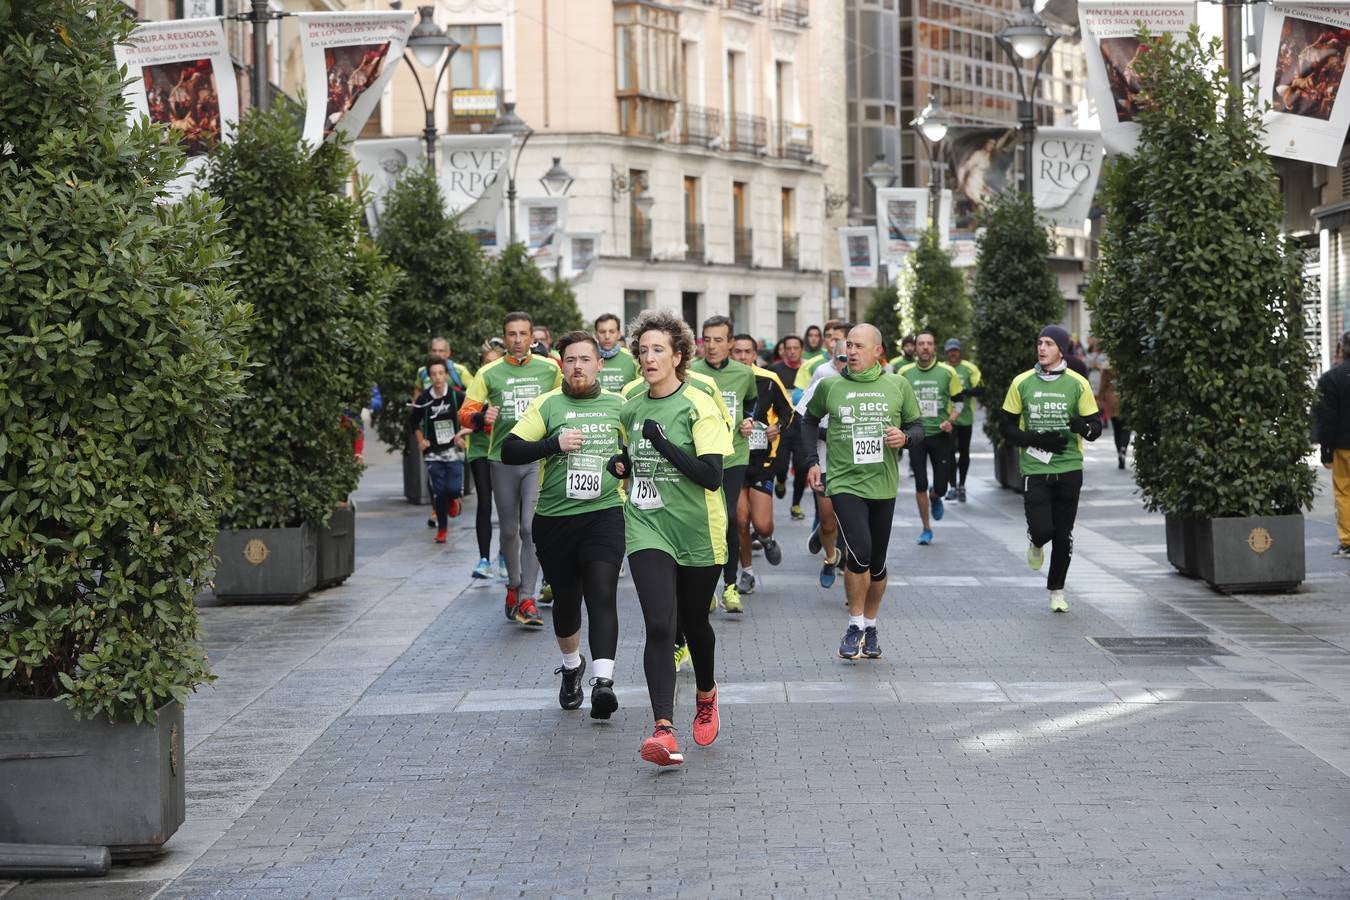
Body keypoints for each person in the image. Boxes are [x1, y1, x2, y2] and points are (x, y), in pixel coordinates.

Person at [609, 310, 731, 766]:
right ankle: (663, 728)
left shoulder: (699, 403)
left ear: (678, 356)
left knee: (695, 622)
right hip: (647, 522)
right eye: (642, 350)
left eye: (658, 349)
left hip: (698, 529)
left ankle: (705, 693)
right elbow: (632, 453)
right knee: (660, 623)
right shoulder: (630, 403)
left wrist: (662, 444)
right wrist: (621, 464)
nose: (648, 357)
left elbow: (712, 475)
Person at [502, 331, 626, 717]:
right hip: (555, 519)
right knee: (568, 600)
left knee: (602, 592)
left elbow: (636, 449)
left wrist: (624, 463)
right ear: (562, 365)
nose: (578, 367)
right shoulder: (548, 404)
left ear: (598, 364)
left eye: (585, 360)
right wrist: (552, 444)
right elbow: (510, 449)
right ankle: (572, 667)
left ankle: (603, 683)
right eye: (570, 360)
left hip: (604, 512)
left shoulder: (620, 405)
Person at [800, 325, 923, 659]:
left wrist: (906, 438)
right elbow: (807, 421)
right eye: (848, 346)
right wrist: (812, 461)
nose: (851, 352)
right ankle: (854, 624)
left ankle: (870, 626)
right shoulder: (830, 385)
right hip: (843, 482)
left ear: (878, 352)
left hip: (883, 484)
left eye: (858, 347)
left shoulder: (898, 385)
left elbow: (917, 427)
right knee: (860, 553)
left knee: (878, 564)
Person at [460, 312, 563, 627]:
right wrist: (480, 419)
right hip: (502, 458)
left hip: (537, 459)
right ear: (504, 337)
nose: (517, 339)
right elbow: (465, 412)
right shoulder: (488, 372)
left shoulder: (549, 369)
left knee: (530, 528)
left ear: (533, 336)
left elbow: (565, 399)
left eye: (522, 334)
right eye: (511, 334)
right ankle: (513, 585)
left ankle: (528, 597)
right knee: (508, 531)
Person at [1001, 325, 1102, 613]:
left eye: (1048, 344)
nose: (1041, 348)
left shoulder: (1077, 383)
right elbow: (1005, 427)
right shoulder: (1022, 382)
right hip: (1035, 466)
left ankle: (1056, 590)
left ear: (1061, 349)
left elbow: (1095, 429)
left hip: (1069, 466)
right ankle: (1035, 541)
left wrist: (1080, 425)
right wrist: (1035, 438)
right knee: (1043, 528)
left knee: (1063, 533)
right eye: (1039, 343)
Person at [691, 315, 758, 614]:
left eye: (719, 340)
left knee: (728, 517)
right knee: (703, 521)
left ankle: (730, 586)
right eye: (708, 339)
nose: (713, 346)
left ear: (731, 342)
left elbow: (752, 401)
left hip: (733, 456)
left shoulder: (744, 373)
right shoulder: (690, 371)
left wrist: (749, 419)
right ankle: (705, 588)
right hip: (700, 457)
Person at [730, 333, 794, 595]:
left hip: (762, 460)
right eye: (737, 352)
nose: (742, 356)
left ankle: (766, 538)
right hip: (734, 459)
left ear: (755, 354)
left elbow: (789, 412)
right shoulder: (723, 381)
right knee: (740, 520)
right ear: (730, 353)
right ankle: (747, 572)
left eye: (747, 352)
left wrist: (776, 428)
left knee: (762, 523)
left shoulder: (768, 380)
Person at [897, 331, 964, 545]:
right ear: (915, 348)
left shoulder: (947, 372)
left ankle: (936, 496)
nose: (925, 347)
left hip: (940, 435)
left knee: (941, 486)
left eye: (929, 344)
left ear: (935, 348)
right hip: (916, 436)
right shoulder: (905, 372)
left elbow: (959, 402)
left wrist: (950, 420)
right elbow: (897, 402)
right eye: (921, 344)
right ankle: (926, 528)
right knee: (920, 483)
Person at [796, 336, 851, 589]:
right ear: (833, 358)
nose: (847, 363)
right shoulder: (824, 382)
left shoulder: (872, 386)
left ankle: (854, 582)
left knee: (852, 523)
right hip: (826, 460)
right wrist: (825, 438)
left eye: (851, 358)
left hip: (856, 465)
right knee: (828, 520)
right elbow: (802, 418)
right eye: (842, 359)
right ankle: (830, 556)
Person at [412, 357, 466, 543]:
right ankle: (442, 530)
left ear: (446, 375)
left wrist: (463, 434)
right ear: (429, 376)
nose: (437, 378)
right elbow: (413, 422)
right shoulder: (424, 398)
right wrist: (421, 440)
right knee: (439, 492)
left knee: (452, 490)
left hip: (453, 451)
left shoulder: (456, 396)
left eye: (441, 373)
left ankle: (454, 499)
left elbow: (473, 414)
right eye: (433, 374)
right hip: (433, 453)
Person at [468, 338, 507, 579]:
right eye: (486, 362)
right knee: (484, 502)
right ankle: (484, 559)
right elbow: (466, 413)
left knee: (506, 507)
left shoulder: (506, 381)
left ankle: (505, 553)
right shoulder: (478, 383)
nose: (489, 366)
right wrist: (478, 419)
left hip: (501, 449)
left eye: (494, 362)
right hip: (479, 450)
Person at [1316, 330, 1350, 558]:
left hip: (1343, 445)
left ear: (1342, 349)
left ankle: (1348, 540)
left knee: (1344, 492)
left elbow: (1327, 418)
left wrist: (1326, 451)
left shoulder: (1331, 378)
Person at [770, 333, 809, 516]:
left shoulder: (809, 369)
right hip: (783, 424)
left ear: (801, 349)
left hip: (802, 425)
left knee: (802, 467)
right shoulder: (775, 370)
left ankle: (796, 504)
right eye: (789, 348)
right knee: (781, 465)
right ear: (783, 350)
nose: (792, 352)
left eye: (796, 348)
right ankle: (781, 479)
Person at [942, 338, 982, 502]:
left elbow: (980, 389)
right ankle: (952, 486)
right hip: (948, 419)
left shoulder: (970, 368)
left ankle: (962, 485)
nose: (953, 353)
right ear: (946, 352)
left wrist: (963, 392)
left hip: (965, 418)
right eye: (950, 350)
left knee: (964, 452)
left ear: (960, 352)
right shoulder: (941, 369)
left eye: (956, 350)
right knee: (949, 453)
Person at [1097, 354, 1131, 469]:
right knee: (1126, 427)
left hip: (1111, 399)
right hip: (1126, 398)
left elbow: (1103, 386)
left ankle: (1119, 453)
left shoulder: (1107, 369)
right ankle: (1123, 449)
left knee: (1117, 429)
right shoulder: (1129, 367)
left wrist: (1100, 400)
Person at [595, 313, 638, 393]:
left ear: (618, 334)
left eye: (612, 331)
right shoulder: (586, 358)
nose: (607, 336)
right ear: (596, 334)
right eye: (602, 332)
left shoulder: (632, 358)